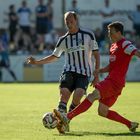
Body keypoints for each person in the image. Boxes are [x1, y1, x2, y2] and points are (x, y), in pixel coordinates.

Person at [53, 21, 140, 134]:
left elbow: (137, 53)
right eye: (108, 32)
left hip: (115, 82)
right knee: (102, 111)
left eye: (111, 32)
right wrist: (100, 71)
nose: (109, 35)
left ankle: (68, 117)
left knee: (92, 95)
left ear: (119, 32)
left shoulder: (125, 44)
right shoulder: (113, 46)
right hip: (114, 81)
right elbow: (112, 66)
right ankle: (130, 124)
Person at [27, 11, 100, 132]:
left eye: (71, 21)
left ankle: (65, 120)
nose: (69, 24)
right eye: (67, 22)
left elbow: (96, 55)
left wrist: (96, 74)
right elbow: (54, 56)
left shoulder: (88, 34)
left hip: (84, 73)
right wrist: (36, 62)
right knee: (64, 93)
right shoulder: (63, 39)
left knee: (77, 98)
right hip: (69, 70)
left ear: (76, 21)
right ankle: (61, 120)